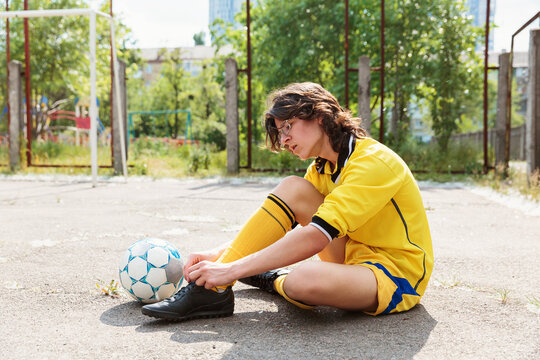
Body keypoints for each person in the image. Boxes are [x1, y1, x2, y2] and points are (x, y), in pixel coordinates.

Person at [142, 82, 433, 321]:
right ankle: (214, 294)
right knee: (294, 188)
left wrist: (233, 269)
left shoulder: (374, 161)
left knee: (302, 281)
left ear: (320, 116)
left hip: (395, 274)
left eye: (288, 127)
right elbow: (290, 227)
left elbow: (316, 237)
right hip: (352, 256)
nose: (283, 140)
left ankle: (272, 277)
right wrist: (222, 256)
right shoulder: (321, 167)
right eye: (281, 132)